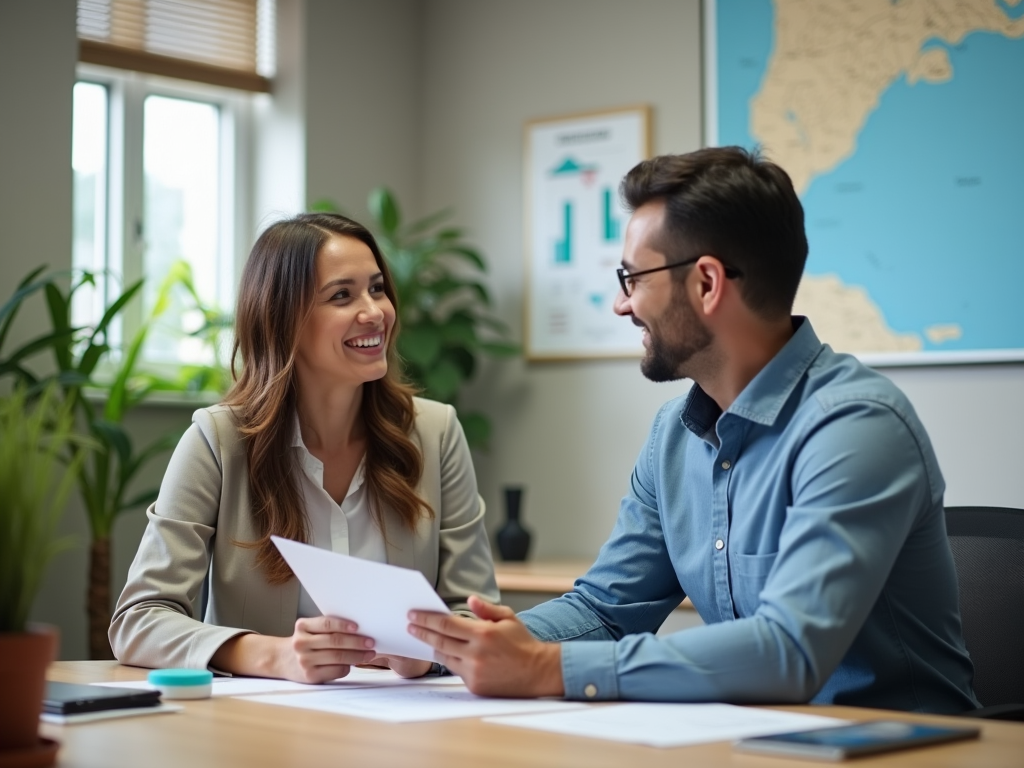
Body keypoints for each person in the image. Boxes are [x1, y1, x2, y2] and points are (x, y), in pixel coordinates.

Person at [408, 147, 979, 714]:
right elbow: (606, 611)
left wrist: (544, 667)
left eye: (632, 277)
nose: (620, 304)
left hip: (900, 748)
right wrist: (433, 645)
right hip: (751, 745)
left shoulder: (856, 426)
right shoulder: (675, 433)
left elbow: (790, 650)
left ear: (707, 283)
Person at [110, 212, 499, 682]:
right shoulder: (217, 441)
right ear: (283, 320)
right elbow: (139, 618)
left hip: (406, 728)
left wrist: (429, 653)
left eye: (377, 288)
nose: (375, 311)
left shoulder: (437, 432)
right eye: (342, 295)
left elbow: (477, 613)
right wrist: (274, 656)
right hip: (264, 730)